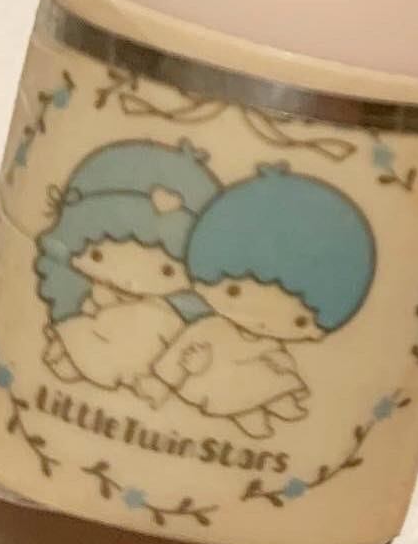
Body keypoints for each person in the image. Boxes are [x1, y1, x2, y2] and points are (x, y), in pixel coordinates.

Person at [153, 166, 375, 439]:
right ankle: (253, 415)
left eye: (299, 320)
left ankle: (269, 409)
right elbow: (178, 353)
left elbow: (279, 361)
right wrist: (171, 376)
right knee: (242, 394)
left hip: (250, 379)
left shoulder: (267, 345)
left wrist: (285, 371)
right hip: (209, 378)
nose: (262, 319)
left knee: (267, 384)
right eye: (234, 291)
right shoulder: (209, 328)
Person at [35, 139, 221, 407]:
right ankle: (75, 357)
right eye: (97, 255)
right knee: (85, 337)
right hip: (98, 334)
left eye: (166, 270)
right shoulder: (99, 292)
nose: (126, 281)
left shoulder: (166, 313)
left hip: (144, 350)